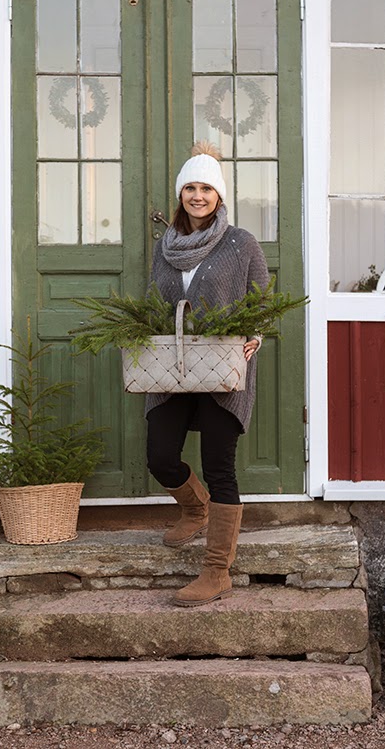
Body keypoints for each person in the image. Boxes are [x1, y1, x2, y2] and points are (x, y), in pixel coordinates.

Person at [146, 141, 269, 607]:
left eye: (206, 188)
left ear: (219, 196)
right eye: (190, 188)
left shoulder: (241, 243)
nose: (198, 196)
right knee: (160, 454)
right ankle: (194, 508)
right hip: (172, 366)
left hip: (222, 366)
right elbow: (155, 300)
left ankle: (217, 570)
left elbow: (261, 298)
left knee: (220, 463)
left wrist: (254, 334)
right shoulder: (166, 246)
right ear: (181, 195)